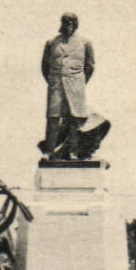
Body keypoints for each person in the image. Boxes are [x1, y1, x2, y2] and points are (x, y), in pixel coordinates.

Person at [40, 12, 111, 161]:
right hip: (56, 84)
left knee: (75, 119)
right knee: (53, 118)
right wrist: (53, 81)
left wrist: (80, 82)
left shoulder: (85, 43)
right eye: (64, 22)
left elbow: (90, 66)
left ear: (75, 24)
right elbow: (45, 66)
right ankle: (49, 151)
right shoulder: (52, 42)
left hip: (76, 84)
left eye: (70, 23)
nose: (67, 26)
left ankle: (73, 152)